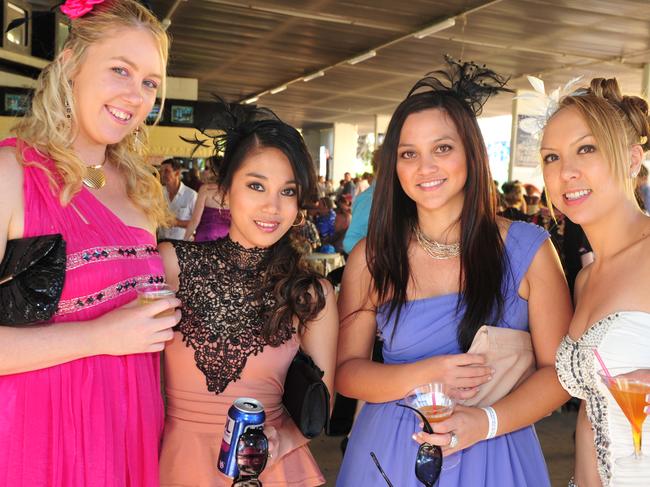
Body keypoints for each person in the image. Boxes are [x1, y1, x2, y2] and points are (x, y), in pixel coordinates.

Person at [335, 59, 572, 486]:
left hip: (496, 448)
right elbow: (348, 373)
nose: (426, 167)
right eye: (409, 154)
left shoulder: (529, 249)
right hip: (393, 451)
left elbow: (559, 373)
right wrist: (430, 371)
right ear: (394, 166)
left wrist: (485, 422)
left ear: (471, 153)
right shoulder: (371, 258)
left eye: (442, 148)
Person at [0, 1, 180, 485]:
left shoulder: (142, 189)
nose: (136, 95)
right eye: (120, 70)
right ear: (70, 66)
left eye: (149, 83)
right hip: (38, 443)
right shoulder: (10, 174)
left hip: (131, 433)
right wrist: (102, 336)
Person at [158, 103, 339, 486]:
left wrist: (281, 440)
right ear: (225, 190)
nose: (272, 206)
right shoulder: (171, 262)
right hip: (176, 466)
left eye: (287, 191)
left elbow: (319, 408)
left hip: (269, 473)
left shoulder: (311, 294)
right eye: (256, 185)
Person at [545, 77, 650, 487]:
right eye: (551, 157)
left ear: (632, 159)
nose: (566, 171)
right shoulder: (586, 280)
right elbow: (591, 415)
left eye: (586, 149)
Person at [184, 157, 230, 241]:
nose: (203, 171)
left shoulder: (205, 189)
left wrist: (185, 239)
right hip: (227, 236)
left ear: (215, 171)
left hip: (206, 234)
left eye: (206, 168)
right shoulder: (233, 190)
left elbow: (195, 220)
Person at [159, 158, 198, 240]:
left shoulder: (191, 195)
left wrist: (177, 223)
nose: (162, 174)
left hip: (183, 244)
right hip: (162, 241)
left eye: (166, 171)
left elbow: (198, 223)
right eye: (161, 171)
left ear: (177, 173)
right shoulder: (159, 192)